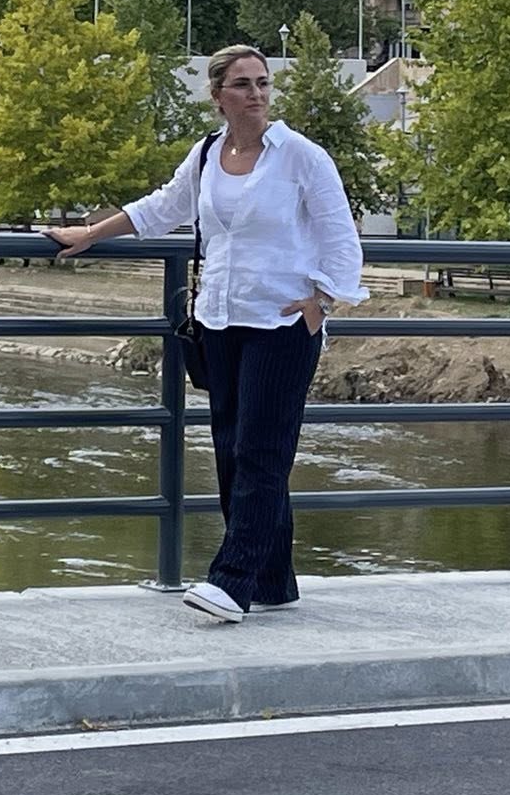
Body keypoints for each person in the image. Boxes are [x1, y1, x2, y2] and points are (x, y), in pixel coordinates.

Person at [45, 44, 366, 624]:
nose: (257, 94)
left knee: (260, 454)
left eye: (263, 83)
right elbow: (164, 206)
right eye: (243, 84)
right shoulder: (206, 154)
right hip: (220, 320)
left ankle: (232, 580)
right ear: (218, 96)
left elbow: (342, 238)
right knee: (229, 451)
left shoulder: (301, 157)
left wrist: (319, 301)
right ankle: (274, 581)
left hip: (282, 323)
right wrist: (91, 233)